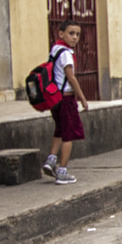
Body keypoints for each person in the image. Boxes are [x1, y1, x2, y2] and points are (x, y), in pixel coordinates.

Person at [42, 21, 89, 185]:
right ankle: (62, 171)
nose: (75, 37)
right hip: (66, 98)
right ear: (61, 34)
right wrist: (82, 98)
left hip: (55, 99)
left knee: (60, 130)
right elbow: (71, 77)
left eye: (77, 34)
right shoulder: (66, 54)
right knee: (69, 134)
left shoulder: (55, 50)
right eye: (71, 33)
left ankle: (51, 159)